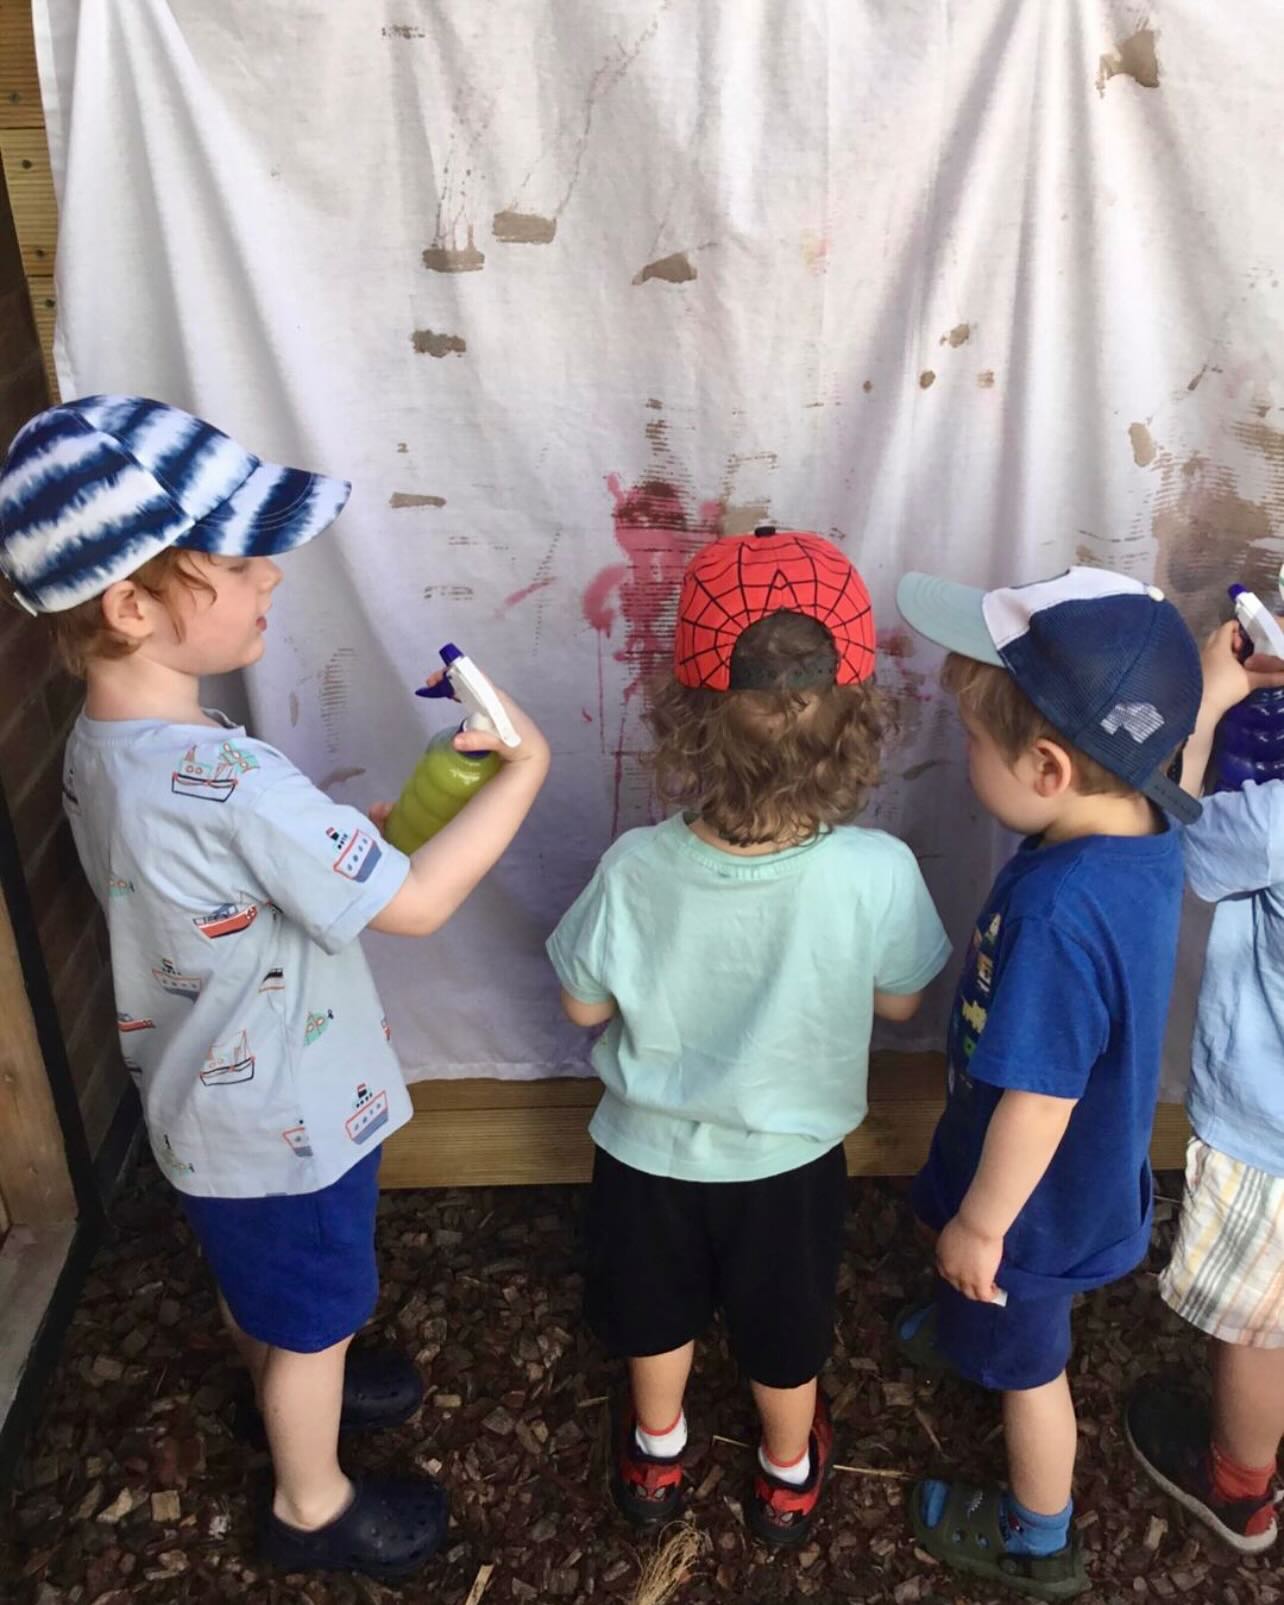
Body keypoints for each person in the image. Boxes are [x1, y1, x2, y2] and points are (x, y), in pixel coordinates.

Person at [0, 395, 550, 1581]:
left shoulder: (109, 754)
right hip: (291, 1124)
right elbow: (410, 905)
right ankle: (312, 1502)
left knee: (268, 1288)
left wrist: (389, 816)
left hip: (207, 1108)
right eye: (243, 563)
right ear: (133, 605)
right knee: (312, 1309)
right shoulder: (234, 777)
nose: (272, 582)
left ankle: (300, 1379)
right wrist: (521, 779)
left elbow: (251, 875)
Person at [547, 526, 951, 1546]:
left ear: (688, 714)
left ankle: (657, 1455)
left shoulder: (635, 867)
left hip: (646, 1158)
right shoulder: (877, 871)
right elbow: (902, 1003)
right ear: (854, 719)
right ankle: (785, 1470)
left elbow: (583, 1009)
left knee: (654, 1317)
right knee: (786, 1334)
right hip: (793, 1163)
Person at [893, 565, 1202, 1599]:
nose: (964, 757)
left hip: (1035, 1206)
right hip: (1051, 1168)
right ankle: (959, 1316)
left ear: (1048, 766)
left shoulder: (1061, 915)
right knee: (973, 1259)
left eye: (975, 744)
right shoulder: (1148, 824)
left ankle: (1041, 1537)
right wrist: (1228, 685)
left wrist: (985, 1230)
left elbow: (1041, 1098)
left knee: (1031, 1367)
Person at [1127, 616, 1284, 1553]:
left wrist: (1207, 711)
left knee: (1261, 1326)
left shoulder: (1273, 821)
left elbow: (1169, 838)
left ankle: (1238, 1484)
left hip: (1270, 1135)